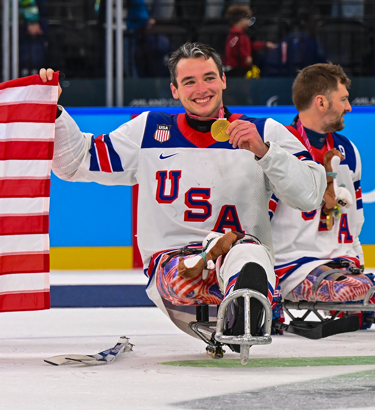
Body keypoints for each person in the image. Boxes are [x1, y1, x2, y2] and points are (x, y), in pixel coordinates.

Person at [40, 42, 325, 350]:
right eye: (189, 82)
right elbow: (76, 162)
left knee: (248, 254)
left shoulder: (264, 131)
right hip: (175, 266)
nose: (201, 89)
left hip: (238, 258)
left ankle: (245, 309)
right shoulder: (149, 130)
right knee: (194, 270)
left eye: (209, 78)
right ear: (174, 90)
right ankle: (244, 306)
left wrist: (265, 152)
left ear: (223, 80)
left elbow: (310, 196)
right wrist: (53, 111)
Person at [271, 63, 371, 320]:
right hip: (292, 268)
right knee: (351, 290)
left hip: (339, 265)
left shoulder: (348, 150)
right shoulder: (278, 149)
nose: (349, 107)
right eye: (344, 99)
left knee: (358, 288)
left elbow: (354, 222)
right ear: (321, 102)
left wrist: (358, 263)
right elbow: (257, 221)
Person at [223, 5, 275, 78]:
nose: (248, 22)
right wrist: (245, 57)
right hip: (234, 68)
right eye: (247, 19)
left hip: (241, 67)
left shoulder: (242, 34)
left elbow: (248, 44)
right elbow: (234, 48)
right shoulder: (235, 33)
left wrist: (265, 44)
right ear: (240, 19)